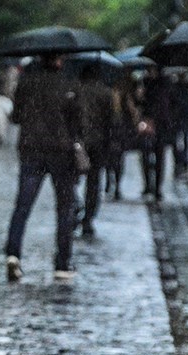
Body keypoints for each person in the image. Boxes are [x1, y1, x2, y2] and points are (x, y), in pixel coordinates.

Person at [5, 53, 84, 282]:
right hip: (62, 152)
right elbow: (78, 121)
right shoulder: (69, 84)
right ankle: (62, 263)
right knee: (64, 209)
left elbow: (16, 117)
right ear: (60, 60)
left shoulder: (27, 84)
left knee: (23, 206)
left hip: (31, 149)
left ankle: (13, 254)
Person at [77, 64, 115, 237]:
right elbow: (111, 121)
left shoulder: (76, 90)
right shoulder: (106, 93)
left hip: (79, 141)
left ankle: (75, 209)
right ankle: (88, 218)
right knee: (94, 181)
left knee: (71, 180)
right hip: (98, 141)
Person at [138, 64, 174, 202]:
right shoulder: (146, 83)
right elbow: (142, 103)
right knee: (146, 155)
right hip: (148, 124)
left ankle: (157, 188)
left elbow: (169, 104)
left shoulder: (165, 84)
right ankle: (149, 185)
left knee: (159, 157)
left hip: (161, 125)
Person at [105, 71, 142, 201]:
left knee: (112, 159)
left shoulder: (112, 96)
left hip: (113, 132)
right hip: (118, 132)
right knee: (117, 160)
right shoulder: (122, 98)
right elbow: (133, 116)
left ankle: (111, 182)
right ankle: (114, 184)